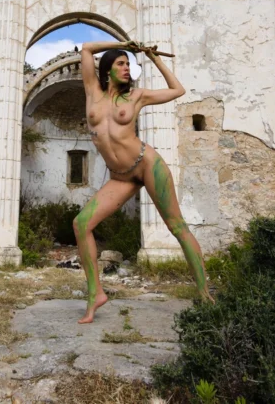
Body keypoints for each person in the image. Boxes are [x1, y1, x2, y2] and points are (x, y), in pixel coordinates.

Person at [74, 40, 212, 324]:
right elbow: (87, 48)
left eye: (129, 64)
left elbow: (177, 90)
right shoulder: (92, 91)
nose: (127, 68)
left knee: (177, 227)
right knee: (81, 224)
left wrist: (153, 58)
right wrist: (124, 43)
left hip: (147, 164)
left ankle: (204, 294)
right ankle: (95, 294)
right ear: (107, 70)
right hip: (120, 176)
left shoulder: (136, 96)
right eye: (121, 63)